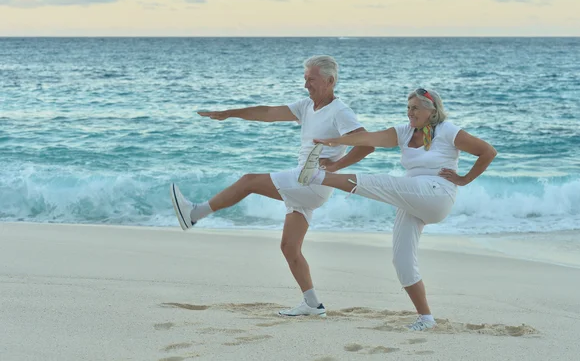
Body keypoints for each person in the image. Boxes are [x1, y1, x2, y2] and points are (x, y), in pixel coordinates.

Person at [169, 55, 374, 317]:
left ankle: (194, 214)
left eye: (311, 79)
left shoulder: (340, 111)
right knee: (289, 247)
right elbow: (267, 112)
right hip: (306, 183)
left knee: (249, 181)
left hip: (311, 181)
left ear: (330, 81)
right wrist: (231, 113)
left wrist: (337, 165)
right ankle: (312, 304)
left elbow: (367, 144)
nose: (305, 85)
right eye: (305, 79)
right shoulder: (307, 106)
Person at [297, 88, 497, 330]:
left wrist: (464, 179)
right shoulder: (404, 132)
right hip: (412, 198)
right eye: (408, 107)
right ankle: (426, 319)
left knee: (384, 182)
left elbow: (488, 151)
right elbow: (368, 139)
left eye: (415, 108)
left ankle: (316, 177)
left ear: (431, 110)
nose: (410, 112)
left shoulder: (447, 131)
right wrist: (335, 141)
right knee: (401, 259)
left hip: (437, 194)